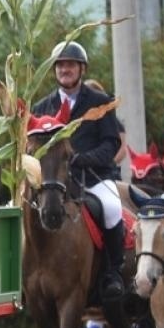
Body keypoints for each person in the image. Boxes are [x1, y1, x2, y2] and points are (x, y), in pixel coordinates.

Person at [29, 40, 125, 298]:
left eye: (70, 64)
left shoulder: (100, 101)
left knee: (112, 207)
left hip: (93, 177)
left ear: (81, 69)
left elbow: (111, 143)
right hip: (53, 182)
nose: (64, 69)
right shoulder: (41, 107)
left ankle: (113, 273)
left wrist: (84, 158)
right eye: (60, 65)